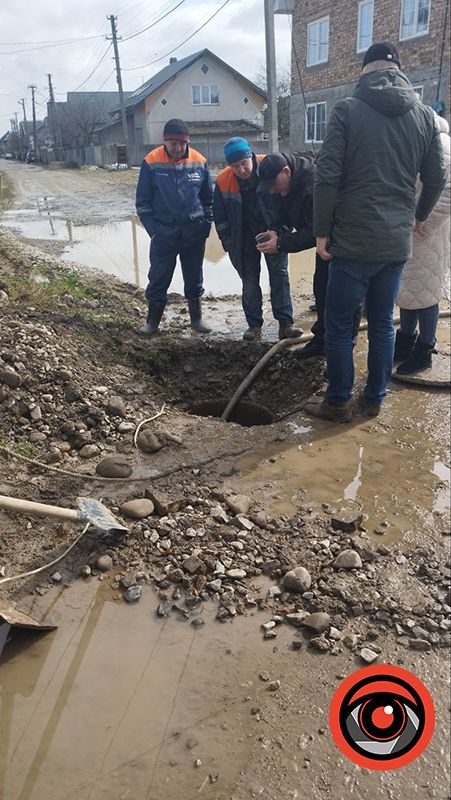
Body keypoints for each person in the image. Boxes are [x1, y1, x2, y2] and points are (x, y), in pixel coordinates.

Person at [304, 42, 447, 422]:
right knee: (383, 322)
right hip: (396, 245)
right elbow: (437, 176)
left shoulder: (347, 110)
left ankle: (336, 402)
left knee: (338, 324)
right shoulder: (424, 116)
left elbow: (327, 175)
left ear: (365, 70)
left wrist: (321, 231)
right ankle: (373, 399)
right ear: (399, 70)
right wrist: (419, 215)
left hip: (352, 243)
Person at [255, 152, 361, 358]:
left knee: (344, 296)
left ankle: (345, 346)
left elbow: (316, 232)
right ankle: (321, 340)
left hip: (343, 243)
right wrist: (276, 230)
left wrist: (281, 243)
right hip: (325, 246)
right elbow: (283, 215)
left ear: (286, 171)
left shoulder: (312, 186)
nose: (273, 189)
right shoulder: (287, 185)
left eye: (274, 183)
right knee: (321, 289)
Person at [213, 137, 301, 341]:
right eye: (236, 166)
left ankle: (285, 324)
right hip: (243, 237)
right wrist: (228, 243)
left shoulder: (270, 168)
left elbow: (287, 203)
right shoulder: (223, 181)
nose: (242, 170)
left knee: (279, 277)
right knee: (250, 281)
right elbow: (219, 216)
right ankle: (254, 325)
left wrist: (282, 233)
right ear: (229, 166)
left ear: (250, 156)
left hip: (273, 233)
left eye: (244, 163)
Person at [136, 118, 213, 335]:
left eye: (182, 144)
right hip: (164, 234)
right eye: (173, 144)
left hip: (193, 232)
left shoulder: (199, 161)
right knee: (158, 278)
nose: (178, 148)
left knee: (194, 277)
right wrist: (153, 231)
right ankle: (152, 322)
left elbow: (209, 200)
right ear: (165, 142)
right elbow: (143, 202)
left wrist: (206, 227)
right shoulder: (151, 162)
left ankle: (196, 320)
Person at [395, 114, 450, 375]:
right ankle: (406, 339)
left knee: (426, 292)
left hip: (428, 232)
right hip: (410, 228)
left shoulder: (442, 146)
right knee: (407, 288)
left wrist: (423, 224)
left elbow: (447, 194)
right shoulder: (418, 142)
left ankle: (425, 349)